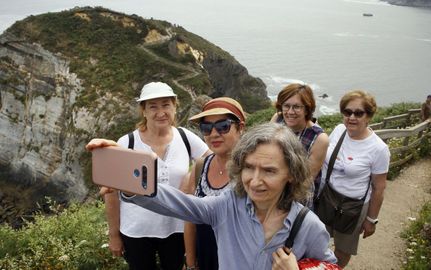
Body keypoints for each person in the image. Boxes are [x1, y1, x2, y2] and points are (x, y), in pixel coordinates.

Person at [88, 123, 337, 270]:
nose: (255, 180)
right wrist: (131, 182)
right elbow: (179, 204)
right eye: (249, 167)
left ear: (291, 175)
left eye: (270, 171)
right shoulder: (227, 205)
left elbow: (329, 265)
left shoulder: (308, 225)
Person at [102, 82, 210, 270]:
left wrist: (191, 176)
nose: (161, 112)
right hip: (136, 231)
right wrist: (114, 234)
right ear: (143, 111)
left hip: (176, 228)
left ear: (175, 107)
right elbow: (110, 193)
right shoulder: (128, 142)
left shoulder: (185, 138)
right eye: (153, 106)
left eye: (166, 105)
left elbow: (214, 159)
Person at [319, 90, 390, 268]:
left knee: (342, 250)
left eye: (358, 113)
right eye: (347, 112)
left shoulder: (378, 149)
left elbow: (379, 188)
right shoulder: (338, 130)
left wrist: (371, 219)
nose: (351, 117)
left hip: (353, 206)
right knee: (317, 240)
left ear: (369, 116)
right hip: (328, 197)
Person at [183, 97, 246, 270]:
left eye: (223, 126)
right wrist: (190, 262)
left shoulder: (250, 169)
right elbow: (190, 218)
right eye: (206, 128)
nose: (214, 134)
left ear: (240, 127)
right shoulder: (201, 166)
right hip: (205, 257)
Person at [270, 83, 329, 203]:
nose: (290, 112)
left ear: (307, 109)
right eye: (286, 106)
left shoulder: (318, 139)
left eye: (297, 107)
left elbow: (306, 180)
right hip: (272, 187)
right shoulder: (278, 119)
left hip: (296, 197)